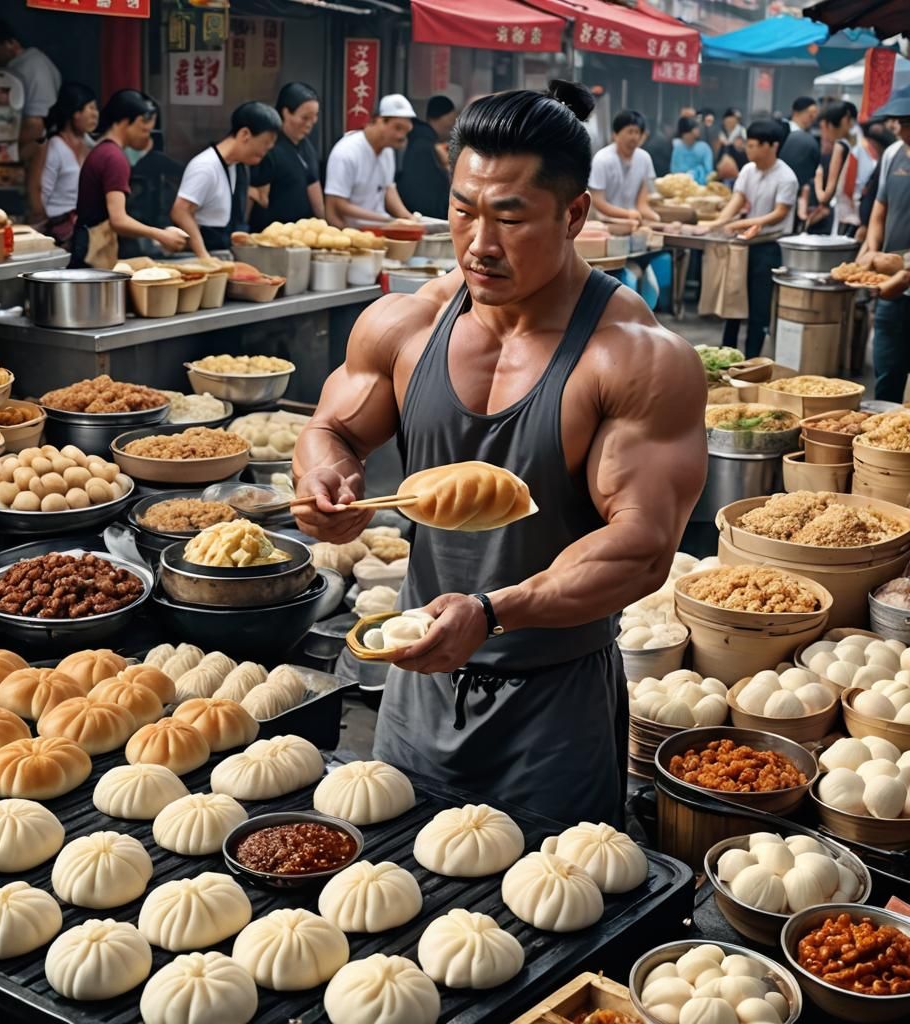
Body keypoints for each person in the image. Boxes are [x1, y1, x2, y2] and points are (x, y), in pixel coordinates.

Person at [291, 81, 707, 825]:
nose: (480, 244)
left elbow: (642, 548)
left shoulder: (635, 356)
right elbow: (334, 429)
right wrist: (325, 476)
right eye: (463, 210)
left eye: (510, 217)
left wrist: (494, 612)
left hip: (550, 711)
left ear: (574, 213)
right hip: (415, 686)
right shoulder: (408, 322)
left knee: (560, 923)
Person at [702, 120, 798, 358]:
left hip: (768, 246)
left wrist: (739, 224)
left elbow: (779, 215)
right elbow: (737, 199)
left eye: (754, 145)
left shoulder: (787, 177)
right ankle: (725, 357)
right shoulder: (747, 170)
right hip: (743, 244)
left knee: (758, 308)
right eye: (748, 145)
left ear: (772, 146)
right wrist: (717, 223)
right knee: (732, 302)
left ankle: (753, 362)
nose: (749, 150)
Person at [71, 89, 186, 268]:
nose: (146, 136)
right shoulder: (114, 158)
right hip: (93, 249)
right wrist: (161, 235)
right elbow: (119, 220)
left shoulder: (103, 151)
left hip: (86, 243)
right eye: (143, 129)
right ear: (125, 123)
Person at [171, 102, 280, 260]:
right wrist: (203, 255)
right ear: (245, 134)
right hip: (205, 257)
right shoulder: (205, 167)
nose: (266, 151)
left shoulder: (240, 166)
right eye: (265, 144)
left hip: (228, 255)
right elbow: (180, 211)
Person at [858, 96, 910, 402]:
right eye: (899, 124)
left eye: (908, 124)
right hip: (892, 295)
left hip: (900, 281)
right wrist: (870, 251)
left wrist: (903, 276)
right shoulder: (892, 154)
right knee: (887, 372)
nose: (902, 132)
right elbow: (880, 210)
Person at [0, 20, 62, 223]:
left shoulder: (32, 67)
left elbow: (36, 125)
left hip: (36, 148)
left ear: (10, 44)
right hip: (27, 150)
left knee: (35, 206)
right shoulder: (24, 64)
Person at [324, 95, 417, 227]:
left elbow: (388, 189)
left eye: (405, 131)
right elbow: (338, 204)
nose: (401, 136)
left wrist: (407, 217)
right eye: (397, 128)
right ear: (379, 121)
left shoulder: (387, 151)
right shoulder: (346, 152)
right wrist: (388, 220)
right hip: (352, 232)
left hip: (380, 229)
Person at [247, 83, 324, 232]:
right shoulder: (269, 147)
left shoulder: (306, 146)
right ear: (286, 112)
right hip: (271, 235)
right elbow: (256, 195)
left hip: (303, 234)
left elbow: (314, 186)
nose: (310, 124)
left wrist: (324, 226)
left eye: (314, 117)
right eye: (305, 118)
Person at [32, 82, 97, 247]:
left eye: (96, 109)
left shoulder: (90, 145)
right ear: (75, 113)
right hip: (60, 228)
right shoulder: (55, 147)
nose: (95, 115)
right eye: (90, 108)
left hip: (83, 226)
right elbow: (41, 192)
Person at [589, 110, 659, 225]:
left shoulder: (645, 158)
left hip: (634, 221)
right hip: (605, 222)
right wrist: (626, 214)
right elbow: (597, 200)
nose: (634, 137)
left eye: (637, 132)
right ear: (615, 135)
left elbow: (642, 204)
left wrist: (655, 218)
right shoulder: (602, 159)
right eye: (629, 132)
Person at [395, 96, 459, 220]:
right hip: (425, 218)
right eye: (452, 121)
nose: (453, 126)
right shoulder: (426, 146)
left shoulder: (419, 140)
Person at [805, 103, 853, 234]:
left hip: (839, 211)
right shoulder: (854, 144)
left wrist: (818, 179)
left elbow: (825, 196)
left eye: (823, 127)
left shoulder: (839, 146)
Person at [779, 96, 821, 195]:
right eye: (810, 114)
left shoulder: (812, 135)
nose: (813, 118)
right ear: (796, 112)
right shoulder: (783, 131)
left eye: (815, 114)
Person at [671, 116, 714, 184]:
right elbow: (674, 171)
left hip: (701, 188)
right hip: (681, 187)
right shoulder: (678, 149)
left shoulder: (704, 148)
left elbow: (709, 171)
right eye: (695, 128)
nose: (698, 130)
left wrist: (695, 173)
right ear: (685, 133)